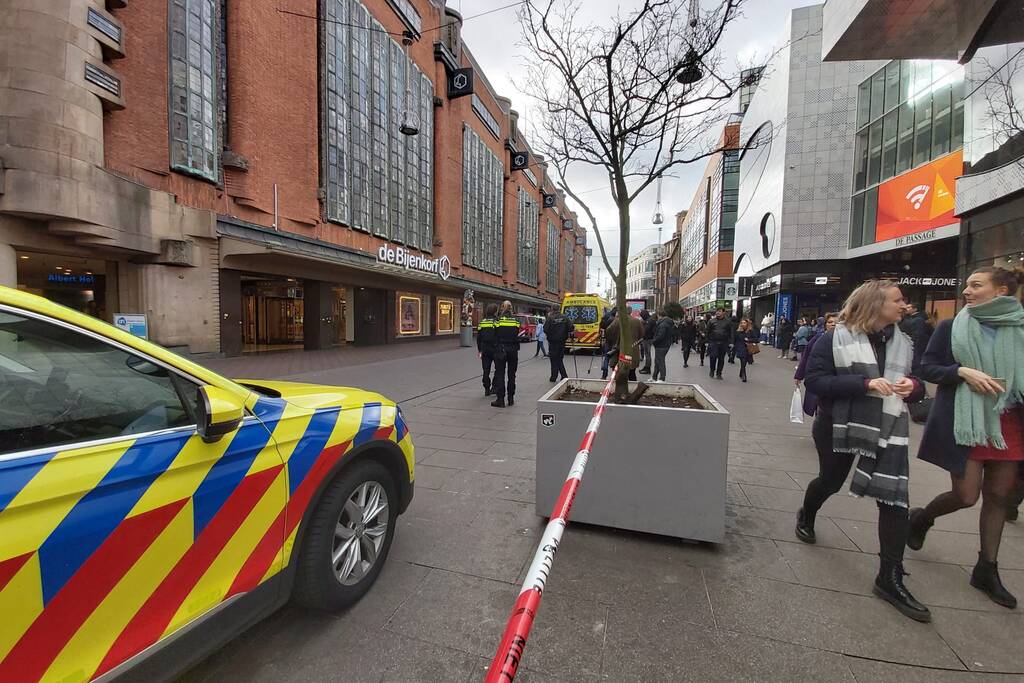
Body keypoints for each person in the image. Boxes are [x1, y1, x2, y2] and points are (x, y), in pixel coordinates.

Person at [796, 280, 930, 622]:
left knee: (894, 497)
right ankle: (806, 514)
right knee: (830, 481)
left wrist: (911, 387)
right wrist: (865, 384)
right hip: (838, 425)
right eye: (897, 300)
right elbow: (816, 381)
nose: (904, 305)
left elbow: (918, 386)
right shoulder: (831, 339)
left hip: (888, 426)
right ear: (874, 304)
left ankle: (890, 576)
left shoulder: (904, 342)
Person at [907, 266, 1024, 609]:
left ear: (1001, 290)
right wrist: (961, 371)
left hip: (1008, 422)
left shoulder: (1019, 328)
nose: (967, 292)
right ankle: (922, 518)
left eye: (976, 285)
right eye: (966, 285)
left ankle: (987, 569)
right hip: (967, 422)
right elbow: (927, 368)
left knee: (999, 498)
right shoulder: (951, 327)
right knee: (966, 495)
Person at [794, 312, 839, 416]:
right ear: (825, 325)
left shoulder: (847, 341)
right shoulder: (818, 338)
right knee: (820, 409)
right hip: (819, 379)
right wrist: (799, 375)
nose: (833, 324)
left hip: (837, 381)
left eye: (836, 322)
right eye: (830, 322)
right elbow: (806, 357)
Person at [490, 300, 521, 408]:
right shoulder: (516, 320)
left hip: (501, 350)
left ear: (502, 308)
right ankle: (511, 398)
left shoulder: (497, 320)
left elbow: (494, 334)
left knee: (500, 374)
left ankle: (500, 399)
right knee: (512, 375)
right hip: (513, 350)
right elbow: (517, 333)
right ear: (511, 308)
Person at [605, 311, 645, 381]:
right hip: (633, 350)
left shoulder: (618, 320)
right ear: (630, 312)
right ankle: (633, 388)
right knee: (632, 373)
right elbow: (642, 335)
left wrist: (614, 339)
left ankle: (620, 388)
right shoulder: (637, 321)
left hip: (619, 350)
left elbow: (608, 331)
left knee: (619, 372)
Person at [899, 302, 934, 374]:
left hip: (917, 346)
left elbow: (919, 335)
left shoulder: (918, 320)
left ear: (915, 309)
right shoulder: (909, 319)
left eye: (909, 308)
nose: (906, 309)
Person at [543, 305, 574, 382]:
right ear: (559, 309)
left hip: (553, 342)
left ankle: (554, 376)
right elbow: (571, 327)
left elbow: (545, 329)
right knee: (559, 358)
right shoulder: (565, 317)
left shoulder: (550, 318)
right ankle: (563, 375)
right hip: (562, 341)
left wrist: (551, 333)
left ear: (552, 309)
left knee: (553, 359)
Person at [476, 303, 500, 397]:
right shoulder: (496, 322)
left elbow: (479, 338)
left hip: (484, 349)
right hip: (495, 349)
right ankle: (494, 387)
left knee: (486, 370)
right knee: (498, 369)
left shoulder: (482, 322)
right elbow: (499, 335)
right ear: (495, 311)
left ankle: (486, 388)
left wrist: (480, 350)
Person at [706, 307, 735, 380]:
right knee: (713, 357)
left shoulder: (728, 322)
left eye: (719, 311)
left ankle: (719, 373)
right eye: (717, 311)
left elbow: (731, 332)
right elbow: (707, 332)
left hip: (723, 342)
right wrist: (706, 341)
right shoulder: (711, 321)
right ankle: (712, 370)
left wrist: (731, 342)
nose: (717, 312)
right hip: (713, 342)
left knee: (721, 359)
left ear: (723, 312)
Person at [651, 307, 678, 382]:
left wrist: (653, 341)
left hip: (661, 345)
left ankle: (662, 378)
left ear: (659, 315)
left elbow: (660, 335)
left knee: (660, 361)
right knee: (657, 361)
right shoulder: (667, 322)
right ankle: (654, 377)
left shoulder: (663, 324)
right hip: (664, 344)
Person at [599, 307, 617, 380]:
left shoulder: (606, 317)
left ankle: (604, 374)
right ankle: (614, 375)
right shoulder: (616, 320)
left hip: (607, 339)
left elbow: (602, 326)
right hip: (615, 341)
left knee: (606, 356)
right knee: (615, 358)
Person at [638, 310, 656, 374]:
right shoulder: (650, 319)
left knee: (647, 354)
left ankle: (647, 368)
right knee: (647, 354)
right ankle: (646, 367)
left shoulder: (648, 321)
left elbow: (646, 330)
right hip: (649, 338)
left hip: (647, 339)